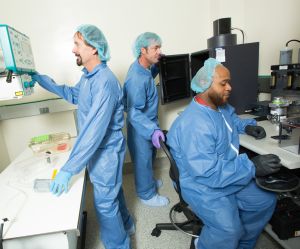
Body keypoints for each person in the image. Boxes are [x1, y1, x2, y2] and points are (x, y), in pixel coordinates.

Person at [32, 25, 134, 249]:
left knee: (105, 202)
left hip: (106, 151)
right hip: (97, 149)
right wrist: (42, 80)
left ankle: (119, 245)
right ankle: (126, 224)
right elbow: (72, 94)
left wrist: (69, 168)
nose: (73, 50)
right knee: (112, 192)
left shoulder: (104, 82)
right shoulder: (89, 77)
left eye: (77, 44)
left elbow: (93, 131)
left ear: (94, 48)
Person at [166, 58, 281, 249]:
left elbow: (231, 120)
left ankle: (243, 245)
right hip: (201, 185)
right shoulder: (195, 124)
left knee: (264, 200)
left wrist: (247, 127)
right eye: (223, 83)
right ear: (205, 85)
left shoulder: (218, 106)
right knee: (228, 229)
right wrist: (252, 166)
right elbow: (207, 173)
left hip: (227, 173)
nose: (229, 87)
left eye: (229, 82)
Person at [123, 32, 169, 207]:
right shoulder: (136, 77)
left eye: (159, 47)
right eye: (155, 48)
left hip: (148, 123)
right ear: (143, 50)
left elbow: (147, 80)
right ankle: (146, 194)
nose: (159, 51)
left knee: (149, 158)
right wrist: (152, 130)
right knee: (143, 162)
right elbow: (133, 111)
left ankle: (148, 182)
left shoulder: (142, 68)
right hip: (141, 126)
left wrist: (157, 66)